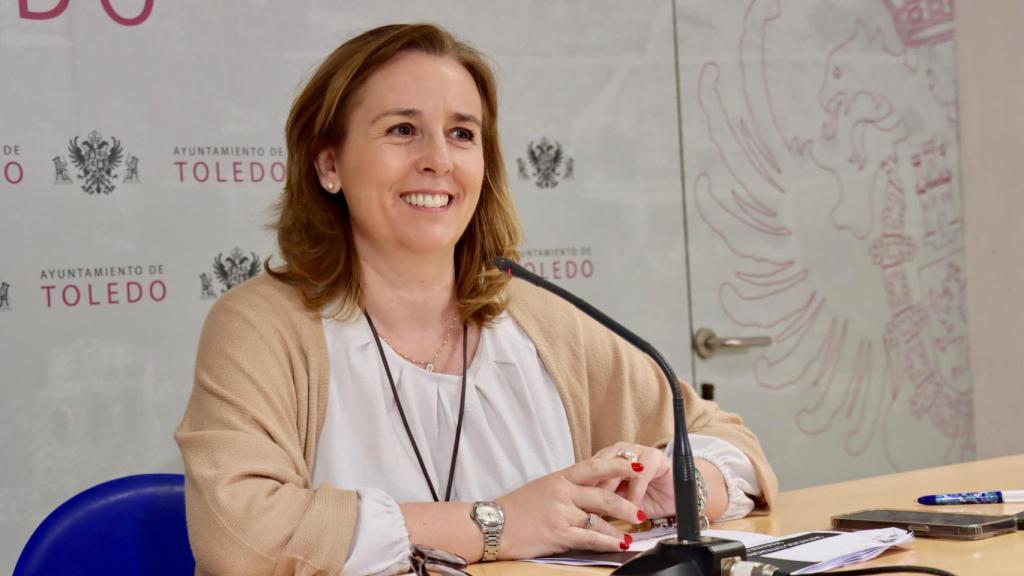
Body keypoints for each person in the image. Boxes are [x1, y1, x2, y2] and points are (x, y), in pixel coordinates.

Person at [175, 23, 778, 576]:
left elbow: (731, 445)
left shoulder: (538, 319)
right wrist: (497, 525)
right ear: (329, 163)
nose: (438, 160)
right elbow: (239, 535)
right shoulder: (260, 326)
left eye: (462, 134)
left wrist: (682, 488)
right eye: (402, 130)